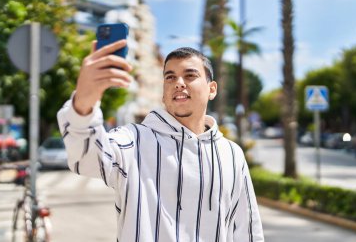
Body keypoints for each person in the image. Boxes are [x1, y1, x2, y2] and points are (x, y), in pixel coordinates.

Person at [57, 39, 264, 241]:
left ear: (212, 89)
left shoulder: (232, 153)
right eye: (170, 77)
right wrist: (84, 101)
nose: (178, 83)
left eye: (190, 75)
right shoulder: (133, 141)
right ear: (163, 93)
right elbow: (85, 158)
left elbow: (247, 228)